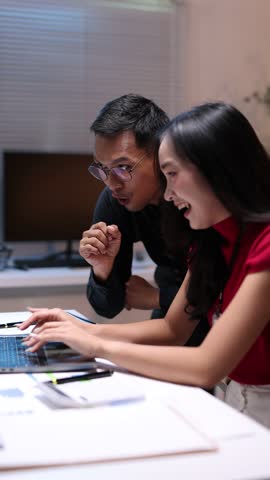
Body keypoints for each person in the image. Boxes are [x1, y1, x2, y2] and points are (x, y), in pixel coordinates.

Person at [20, 102, 270, 428]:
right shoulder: (210, 241)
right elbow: (172, 330)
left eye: (173, 174)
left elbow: (206, 364)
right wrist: (78, 328)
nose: (168, 195)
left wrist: (96, 343)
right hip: (236, 394)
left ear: (216, 170)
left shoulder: (260, 243)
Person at [80, 93, 208, 345]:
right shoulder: (115, 199)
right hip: (173, 319)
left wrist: (157, 297)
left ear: (161, 153)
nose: (111, 183)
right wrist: (102, 271)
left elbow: (224, 297)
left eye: (123, 168)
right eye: (102, 170)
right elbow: (107, 308)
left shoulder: (201, 198)